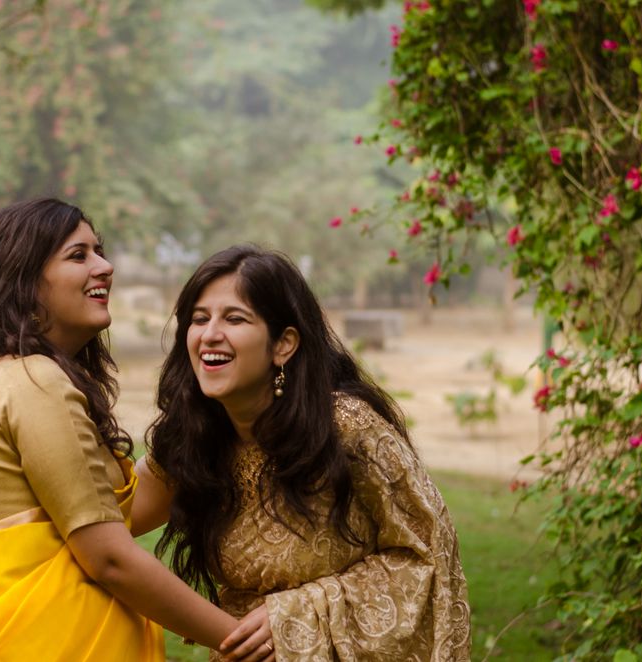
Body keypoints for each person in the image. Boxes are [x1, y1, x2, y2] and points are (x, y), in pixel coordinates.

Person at [0, 199, 265, 661]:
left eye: (100, 251)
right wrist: (248, 643)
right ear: (24, 280)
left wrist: (218, 419)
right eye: (79, 255)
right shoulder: (32, 382)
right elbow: (109, 557)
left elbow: (116, 513)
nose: (105, 267)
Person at [133, 245, 471, 661]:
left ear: (284, 345)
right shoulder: (194, 438)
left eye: (234, 318)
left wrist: (297, 613)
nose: (209, 334)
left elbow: (431, 556)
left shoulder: (346, 426)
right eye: (199, 318)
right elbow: (103, 521)